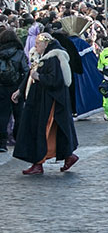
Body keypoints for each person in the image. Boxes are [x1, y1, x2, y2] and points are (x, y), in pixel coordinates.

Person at [13, 33, 81, 175]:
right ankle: (68, 155)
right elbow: (30, 75)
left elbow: (56, 80)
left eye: (38, 43)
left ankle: (38, 162)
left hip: (48, 101)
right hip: (39, 100)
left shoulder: (54, 58)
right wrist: (20, 90)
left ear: (46, 44)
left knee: (42, 131)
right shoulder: (41, 57)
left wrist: (39, 77)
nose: (35, 46)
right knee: (49, 131)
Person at [0, 28, 30, 153]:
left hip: (1, 87)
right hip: (17, 87)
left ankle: (2, 143)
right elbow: (25, 70)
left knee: (2, 115)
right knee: (19, 115)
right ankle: (20, 140)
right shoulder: (19, 52)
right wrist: (22, 87)